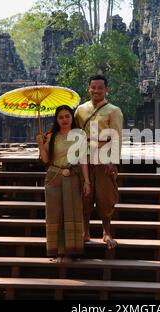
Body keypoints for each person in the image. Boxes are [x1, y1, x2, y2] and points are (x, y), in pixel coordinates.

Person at [36, 105, 91, 263]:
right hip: (54, 177)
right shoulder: (50, 136)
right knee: (55, 214)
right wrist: (41, 144)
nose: (64, 120)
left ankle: (70, 252)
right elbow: (46, 160)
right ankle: (57, 252)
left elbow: (83, 160)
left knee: (72, 212)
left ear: (72, 117)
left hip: (73, 177)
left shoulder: (79, 134)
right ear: (56, 119)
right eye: (60, 117)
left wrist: (87, 181)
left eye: (67, 116)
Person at [74, 75, 124, 250]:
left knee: (105, 196)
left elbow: (117, 136)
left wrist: (113, 161)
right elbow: (74, 133)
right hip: (85, 157)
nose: (96, 91)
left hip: (104, 156)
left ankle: (106, 231)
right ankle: (85, 231)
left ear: (106, 90)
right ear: (88, 88)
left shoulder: (113, 110)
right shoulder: (80, 110)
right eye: (93, 87)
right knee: (84, 195)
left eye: (100, 88)